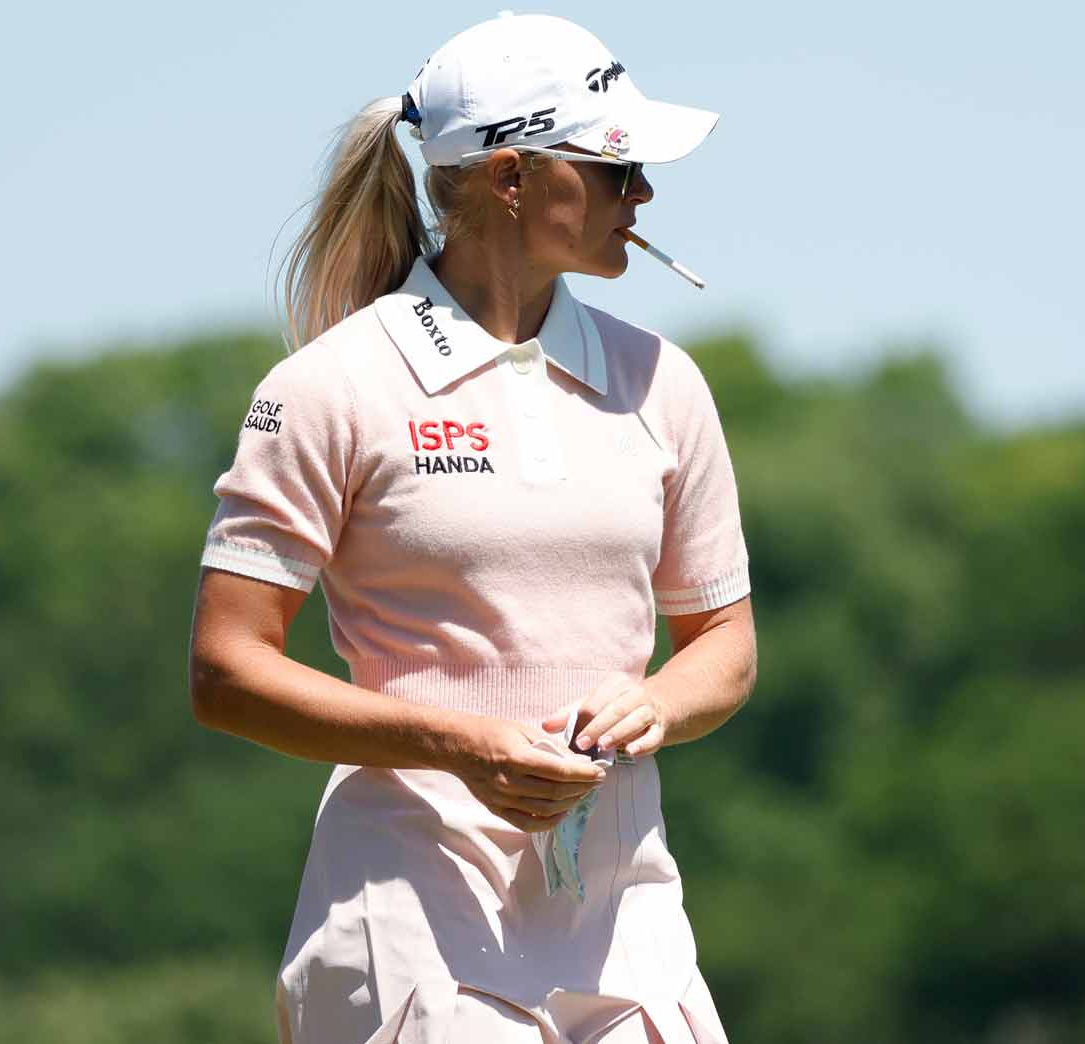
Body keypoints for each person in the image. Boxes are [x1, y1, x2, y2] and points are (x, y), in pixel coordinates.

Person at [186, 13, 755, 1043]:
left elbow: (724, 646)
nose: (642, 196)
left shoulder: (663, 382)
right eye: (616, 169)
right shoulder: (326, 387)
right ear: (510, 178)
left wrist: (655, 704)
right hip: (414, 910)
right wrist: (458, 744)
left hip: (630, 913)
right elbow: (227, 671)